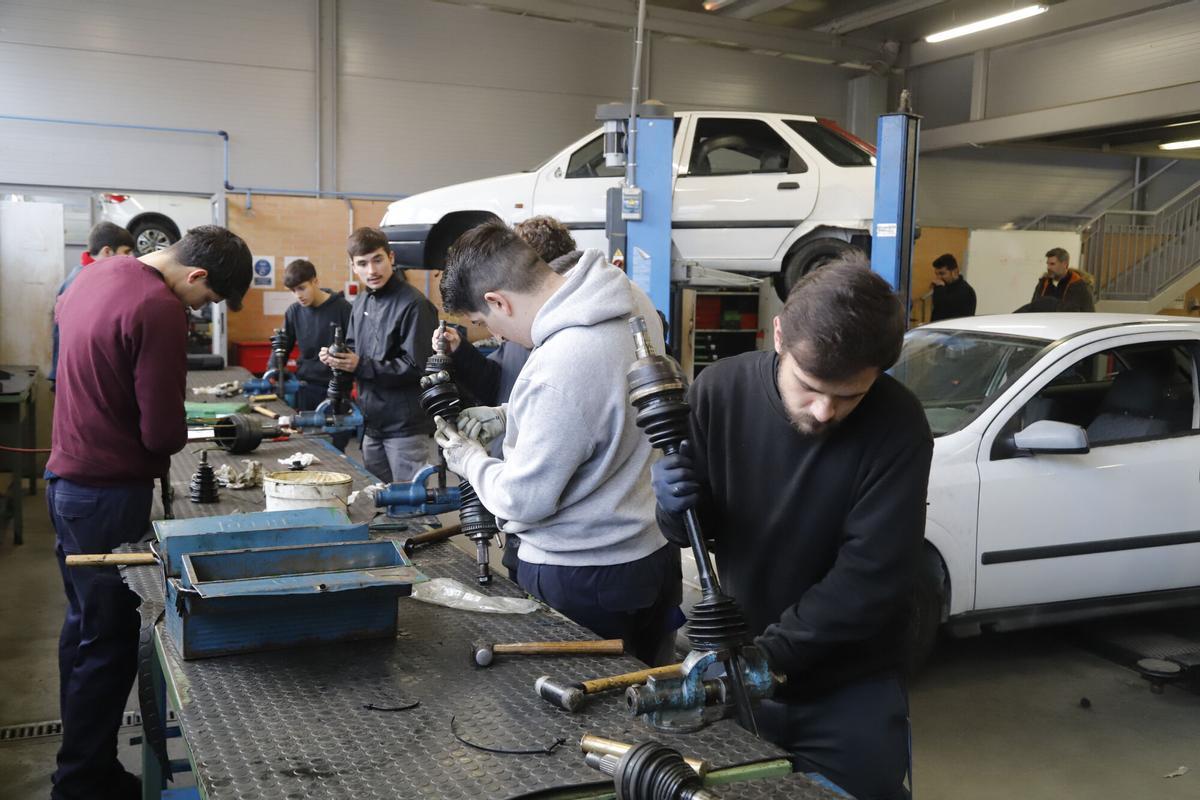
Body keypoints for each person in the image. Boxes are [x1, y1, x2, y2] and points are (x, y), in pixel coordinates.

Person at [651, 260, 933, 800]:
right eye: (810, 386)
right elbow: (697, 531)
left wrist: (767, 659)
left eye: (849, 396)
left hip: (850, 684)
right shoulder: (719, 391)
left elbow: (870, 577)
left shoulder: (898, 424)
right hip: (740, 665)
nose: (825, 411)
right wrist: (672, 507)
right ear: (779, 334)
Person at [47, 225, 252, 800]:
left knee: (83, 630)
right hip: (108, 495)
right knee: (109, 642)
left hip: (66, 484)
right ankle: (82, 783)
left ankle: (83, 764)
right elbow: (161, 433)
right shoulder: (159, 307)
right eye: (207, 299)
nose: (201, 309)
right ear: (196, 274)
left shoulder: (92, 276)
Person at [433, 222, 681, 666]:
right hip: (653, 554)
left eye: (484, 323)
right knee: (653, 690)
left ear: (498, 301)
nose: (497, 337)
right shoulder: (627, 297)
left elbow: (523, 499)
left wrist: (469, 461)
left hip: (583, 577)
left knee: (575, 704)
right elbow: (604, 403)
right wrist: (510, 415)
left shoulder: (555, 367)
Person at [319, 227, 438, 483]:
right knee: (379, 496)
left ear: (391, 258)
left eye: (377, 260)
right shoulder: (362, 302)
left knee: (409, 500)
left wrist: (359, 365)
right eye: (363, 263)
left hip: (405, 427)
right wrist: (337, 358)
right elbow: (353, 348)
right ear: (353, 266)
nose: (372, 270)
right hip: (371, 423)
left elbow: (418, 368)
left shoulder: (414, 304)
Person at [49, 222, 136, 389]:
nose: (130, 258)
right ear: (107, 251)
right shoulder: (83, 281)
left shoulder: (80, 274)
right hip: (78, 375)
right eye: (126, 252)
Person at [280, 258, 353, 449]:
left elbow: (357, 348)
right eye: (293, 290)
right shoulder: (294, 311)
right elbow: (283, 346)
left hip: (337, 392)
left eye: (302, 288)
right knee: (307, 446)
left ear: (315, 281)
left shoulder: (343, 309)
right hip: (306, 389)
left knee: (335, 446)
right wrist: (273, 372)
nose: (298, 295)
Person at [1031, 247, 1094, 312]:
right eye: (1048, 264)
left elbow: (1089, 314)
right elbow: (1032, 308)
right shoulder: (1043, 283)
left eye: (1052, 264)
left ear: (1065, 264)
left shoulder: (1080, 286)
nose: (1048, 267)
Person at [928, 253, 976, 322]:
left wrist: (940, 288)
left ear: (955, 272)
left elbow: (944, 308)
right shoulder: (944, 287)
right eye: (936, 274)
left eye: (942, 273)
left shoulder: (965, 291)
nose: (938, 278)